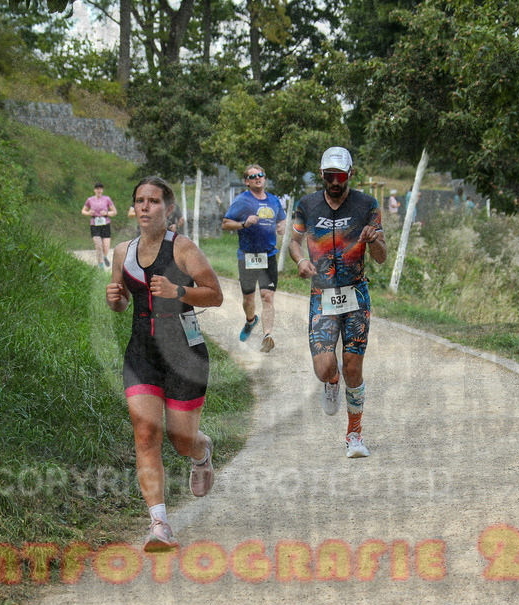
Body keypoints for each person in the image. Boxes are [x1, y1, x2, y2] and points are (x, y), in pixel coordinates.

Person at [106, 176, 224, 552]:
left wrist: (179, 291)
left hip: (184, 351)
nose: (145, 206)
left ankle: (201, 453)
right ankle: (160, 525)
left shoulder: (182, 247)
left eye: (154, 201)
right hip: (141, 352)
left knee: (181, 439)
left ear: (168, 209)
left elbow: (215, 295)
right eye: (139, 200)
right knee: (145, 434)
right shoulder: (122, 252)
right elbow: (121, 302)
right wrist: (115, 299)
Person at [287, 147, 387, 459]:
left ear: (350, 174)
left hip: (355, 294)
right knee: (323, 367)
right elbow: (294, 242)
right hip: (322, 295)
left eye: (340, 176)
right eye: (329, 176)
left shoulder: (367, 205)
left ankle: (354, 435)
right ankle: (331, 380)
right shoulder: (307, 204)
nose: (334, 182)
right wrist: (300, 260)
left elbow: (382, 257)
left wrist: (373, 240)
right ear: (321, 174)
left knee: (353, 366)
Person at [221, 164, 286, 353]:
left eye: (260, 174)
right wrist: (243, 223)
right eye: (253, 176)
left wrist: (281, 226)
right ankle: (250, 321)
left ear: (265, 178)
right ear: (246, 181)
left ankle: (267, 336)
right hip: (247, 256)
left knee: (268, 296)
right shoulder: (242, 200)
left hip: (269, 255)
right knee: (248, 299)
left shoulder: (274, 200)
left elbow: (281, 218)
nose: (258, 178)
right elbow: (225, 224)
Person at [82, 182, 118, 269]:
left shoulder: (107, 199)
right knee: (98, 246)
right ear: (94, 190)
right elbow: (83, 211)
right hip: (95, 224)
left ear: (102, 190)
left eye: (101, 189)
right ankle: (101, 266)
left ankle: (104, 256)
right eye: (97, 189)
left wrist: (106, 213)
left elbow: (114, 212)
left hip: (105, 224)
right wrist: (88, 213)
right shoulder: (90, 200)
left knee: (106, 247)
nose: (99, 191)